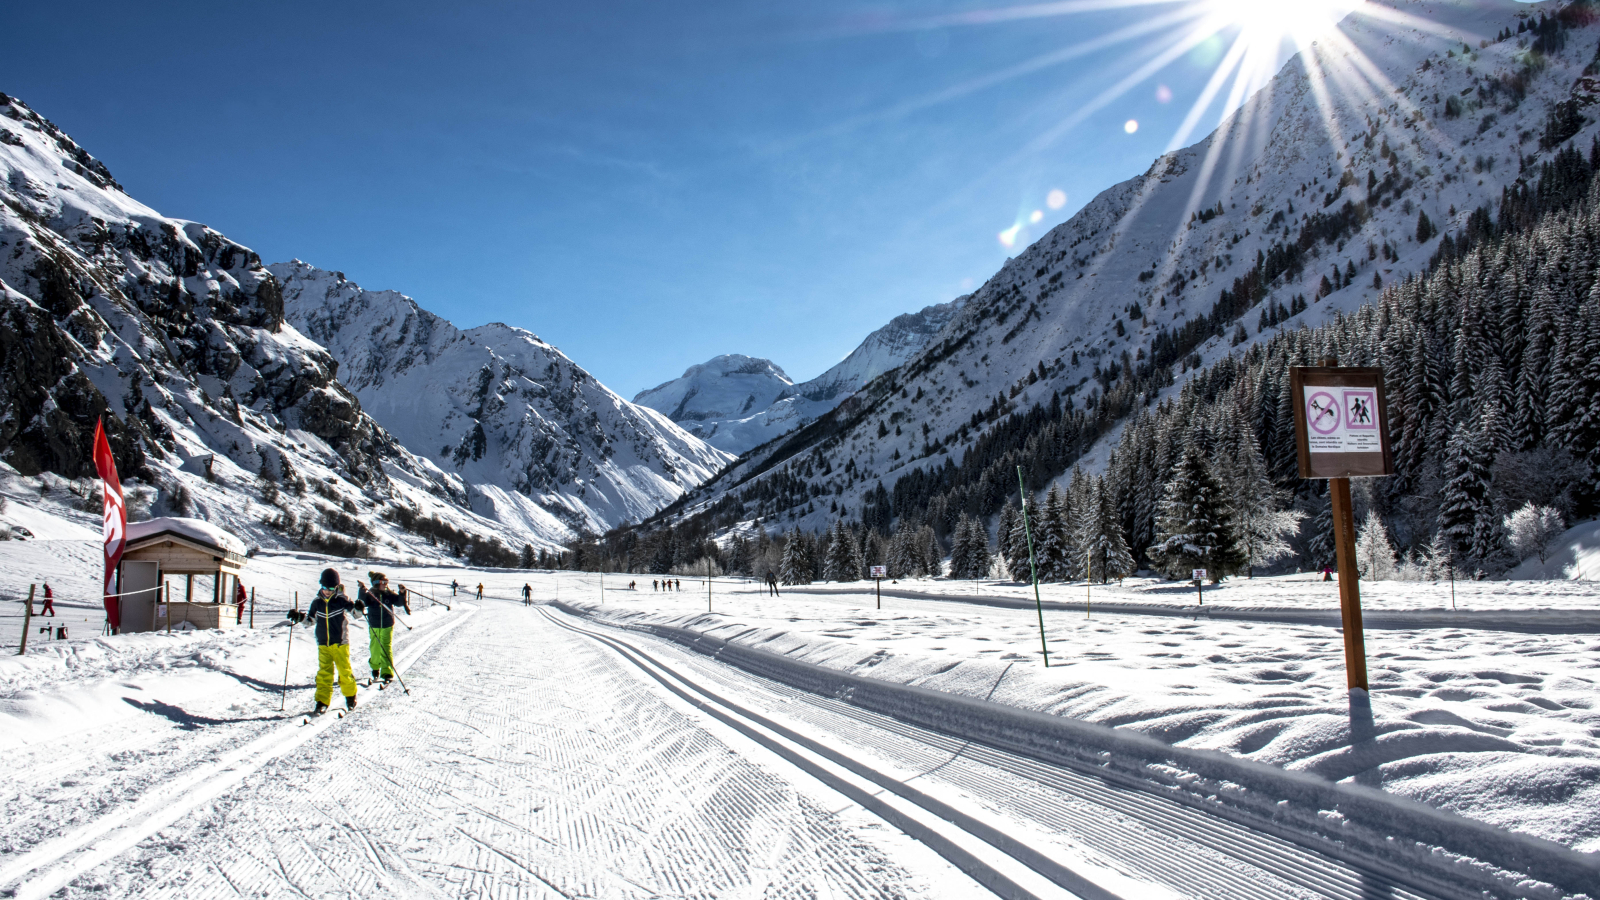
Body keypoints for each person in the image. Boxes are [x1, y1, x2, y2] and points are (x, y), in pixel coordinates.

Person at [287, 568, 364, 715]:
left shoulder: (342, 600)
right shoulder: (316, 603)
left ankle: (350, 697)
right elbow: (310, 621)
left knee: (344, 672)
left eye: (330, 588)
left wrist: (359, 608)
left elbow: (355, 614)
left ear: (336, 587)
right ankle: (322, 702)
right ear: (320, 586)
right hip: (323, 644)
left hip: (340, 643)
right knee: (324, 674)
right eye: (324, 587)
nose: (327, 591)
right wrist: (298, 617)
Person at [358, 571, 409, 686]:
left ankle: (387, 672)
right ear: (376, 583)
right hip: (374, 625)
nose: (386, 584)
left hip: (387, 624)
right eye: (383, 582)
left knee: (386, 647)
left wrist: (402, 592)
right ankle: (375, 668)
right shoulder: (371, 594)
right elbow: (362, 603)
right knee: (375, 647)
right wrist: (361, 590)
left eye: (387, 582)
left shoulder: (389, 594)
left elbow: (399, 602)